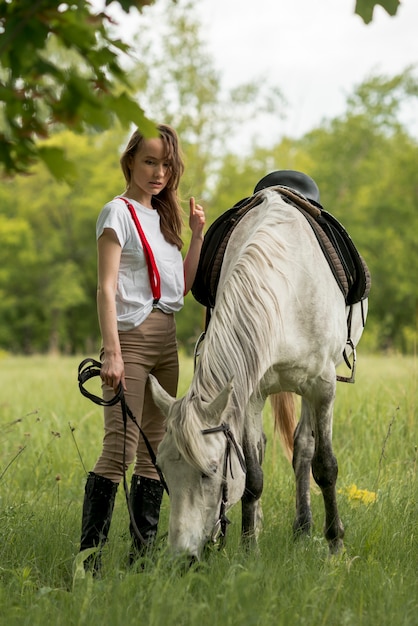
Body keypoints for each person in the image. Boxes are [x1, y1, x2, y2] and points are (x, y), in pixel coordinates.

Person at [79, 124, 205, 572]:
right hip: (130, 340)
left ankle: (140, 560)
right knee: (120, 449)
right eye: (150, 161)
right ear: (130, 160)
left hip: (166, 343)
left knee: (155, 449)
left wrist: (196, 235)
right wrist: (111, 351)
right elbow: (105, 288)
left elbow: (182, 288)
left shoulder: (165, 219)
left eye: (167, 164)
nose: (159, 172)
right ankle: (88, 563)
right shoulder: (117, 213)